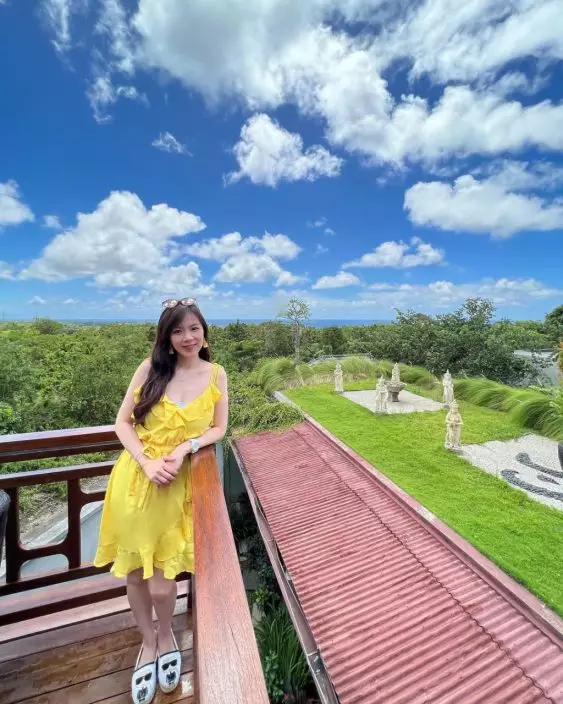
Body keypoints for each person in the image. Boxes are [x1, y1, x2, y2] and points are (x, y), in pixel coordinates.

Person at [94, 298, 228, 704]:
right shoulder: (149, 370)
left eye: (194, 328)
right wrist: (147, 462)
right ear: (166, 338)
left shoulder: (216, 374)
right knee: (136, 574)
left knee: (163, 579)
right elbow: (122, 423)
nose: (188, 337)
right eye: (178, 330)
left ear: (204, 332)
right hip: (137, 481)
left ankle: (166, 634)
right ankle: (148, 643)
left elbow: (219, 428)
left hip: (177, 487)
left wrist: (188, 446)